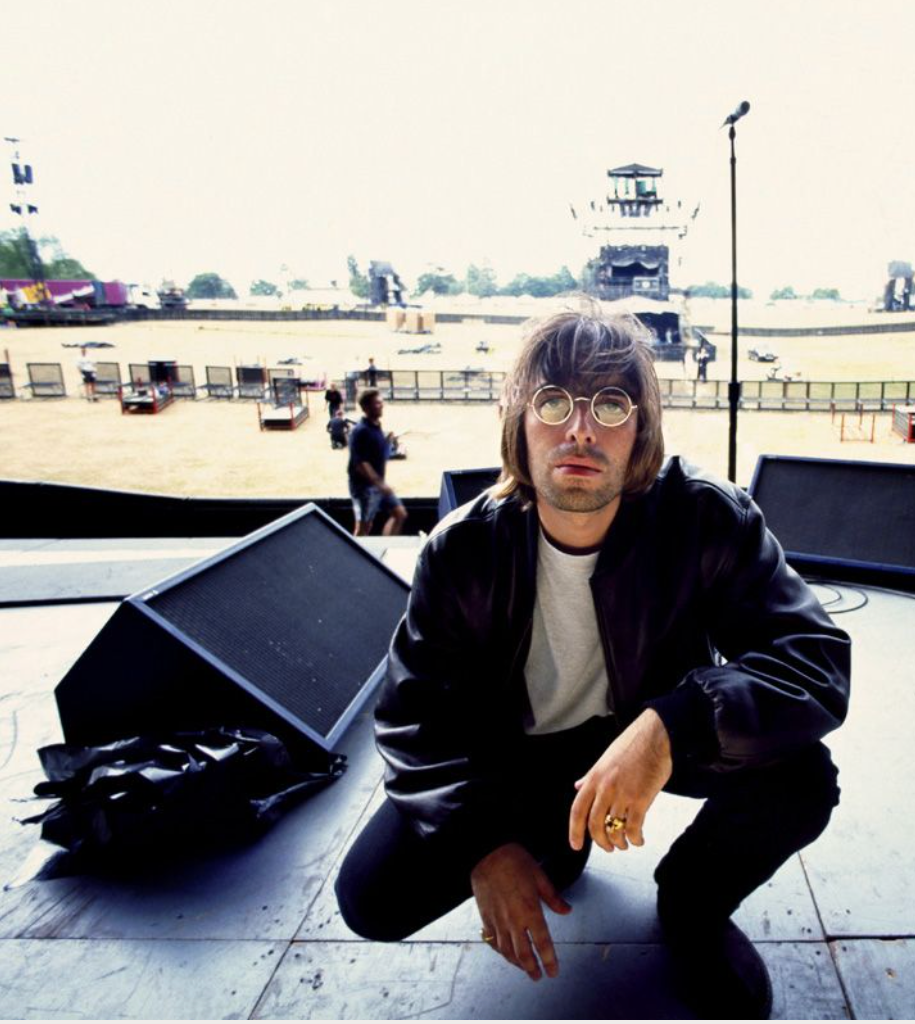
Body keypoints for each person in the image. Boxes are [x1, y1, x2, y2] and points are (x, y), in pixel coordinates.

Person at [335, 304, 850, 1018]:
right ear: (518, 420)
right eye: (553, 401)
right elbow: (412, 716)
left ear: (642, 430)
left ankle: (693, 902)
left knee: (801, 779)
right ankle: (554, 835)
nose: (579, 428)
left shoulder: (705, 516)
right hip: (520, 753)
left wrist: (674, 724)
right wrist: (483, 844)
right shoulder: (462, 548)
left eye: (611, 405)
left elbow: (815, 659)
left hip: (653, 733)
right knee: (371, 897)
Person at [347, 388, 407, 536]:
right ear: (366, 407)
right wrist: (380, 484)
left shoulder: (375, 427)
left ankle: (387, 548)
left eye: (381, 402)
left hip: (377, 486)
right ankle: (355, 558)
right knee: (363, 528)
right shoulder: (360, 431)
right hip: (364, 488)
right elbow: (361, 464)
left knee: (399, 514)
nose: (381, 405)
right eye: (377, 403)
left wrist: (388, 441)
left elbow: (378, 454)